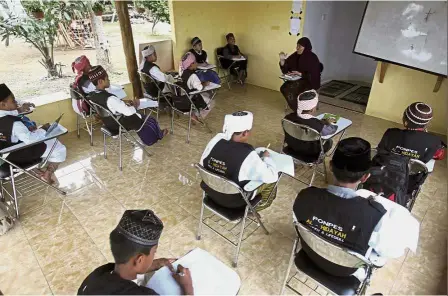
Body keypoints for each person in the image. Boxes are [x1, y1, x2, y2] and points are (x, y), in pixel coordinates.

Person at [293, 137, 419, 277]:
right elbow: (390, 252)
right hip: (345, 271)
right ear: (365, 177)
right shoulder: (375, 215)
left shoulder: (305, 196)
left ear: (330, 166)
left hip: (310, 256)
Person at [78, 210, 194, 295]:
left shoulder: (99, 274)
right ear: (139, 260)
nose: (154, 256)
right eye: (154, 252)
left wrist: (154, 264)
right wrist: (187, 287)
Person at [200, 111, 279, 212]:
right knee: (273, 180)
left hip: (210, 192)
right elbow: (271, 176)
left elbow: (202, 164)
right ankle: (254, 209)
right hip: (233, 202)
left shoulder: (216, 140)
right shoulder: (247, 153)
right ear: (245, 133)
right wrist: (266, 158)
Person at [0, 84, 67, 183]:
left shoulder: (6, 118)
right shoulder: (14, 123)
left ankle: (35, 169)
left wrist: (19, 110)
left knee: (44, 136)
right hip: (14, 156)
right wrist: (43, 129)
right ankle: (47, 174)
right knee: (59, 148)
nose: (16, 102)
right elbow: (30, 139)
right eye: (13, 100)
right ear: (3, 105)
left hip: (3, 156)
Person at [87, 66, 168, 146]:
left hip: (109, 123)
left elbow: (110, 107)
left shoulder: (92, 96)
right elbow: (129, 112)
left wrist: (123, 103)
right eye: (107, 78)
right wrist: (135, 105)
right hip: (120, 125)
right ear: (100, 81)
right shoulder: (110, 98)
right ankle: (154, 138)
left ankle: (154, 134)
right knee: (146, 119)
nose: (109, 80)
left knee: (140, 116)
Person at [378, 102, 446, 163]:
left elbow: (380, 150)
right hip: (414, 174)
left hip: (389, 169)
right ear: (426, 124)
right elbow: (439, 156)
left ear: (405, 121)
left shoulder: (391, 133)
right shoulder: (434, 140)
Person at [283, 90, 336, 160]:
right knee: (329, 141)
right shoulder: (316, 125)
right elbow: (330, 131)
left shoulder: (287, 118)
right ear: (312, 110)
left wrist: (320, 122)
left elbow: (305, 123)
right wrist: (328, 123)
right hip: (310, 153)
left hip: (292, 146)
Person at [279, 37, 321, 111]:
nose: (297, 48)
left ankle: (300, 109)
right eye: (297, 45)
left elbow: (315, 74)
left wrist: (301, 74)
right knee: (284, 88)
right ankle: (297, 108)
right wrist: (282, 60)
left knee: (293, 90)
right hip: (297, 80)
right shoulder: (295, 55)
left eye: (300, 46)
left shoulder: (312, 58)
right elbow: (285, 70)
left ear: (306, 47)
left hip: (309, 81)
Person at [178, 52, 214, 120]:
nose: (197, 63)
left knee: (205, 95)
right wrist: (205, 83)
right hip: (191, 99)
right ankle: (198, 116)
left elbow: (193, 83)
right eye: (195, 62)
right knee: (211, 101)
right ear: (191, 64)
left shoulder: (183, 72)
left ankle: (193, 114)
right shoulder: (193, 75)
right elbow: (200, 87)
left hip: (184, 97)